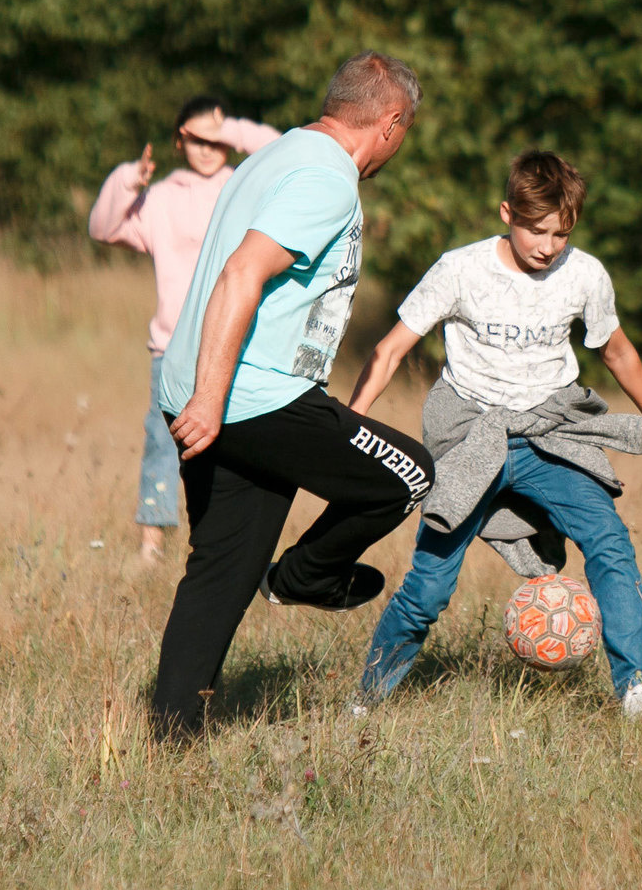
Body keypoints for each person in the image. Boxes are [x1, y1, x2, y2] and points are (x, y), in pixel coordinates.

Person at [346, 150, 642, 719]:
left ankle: (637, 687)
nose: (547, 245)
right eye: (535, 230)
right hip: (469, 441)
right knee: (429, 589)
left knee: (609, 544)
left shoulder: (584, 275)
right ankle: (366, 698)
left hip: (548, 438)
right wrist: (352, 423)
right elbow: (389, 351)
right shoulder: (459, 269)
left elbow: (618, 351)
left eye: (560, 233)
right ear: (506, 212)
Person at [149, 53, 434, 738]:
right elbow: (243, 273)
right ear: (391, 123)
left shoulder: (274, 155)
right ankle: (307, 577)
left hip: (201, 388)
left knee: (222, 570)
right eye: (408, 130)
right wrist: (214, 401)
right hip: (249, 397)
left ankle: (171, 736)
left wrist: (202, 395)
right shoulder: (326, 178)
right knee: (409, 472)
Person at [89, 94, 280, 562]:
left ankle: (226, 542)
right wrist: (129, 180)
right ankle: (151, 548)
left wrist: (231, 127)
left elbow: (279, 153)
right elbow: (101, 226)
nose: (206, 147)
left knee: (235, 447)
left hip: (237, 341)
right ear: (179, 141)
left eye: (215, 138)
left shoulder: (245, 186)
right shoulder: (160, 198)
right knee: (162, 442)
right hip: (173, 346)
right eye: (195, 137)